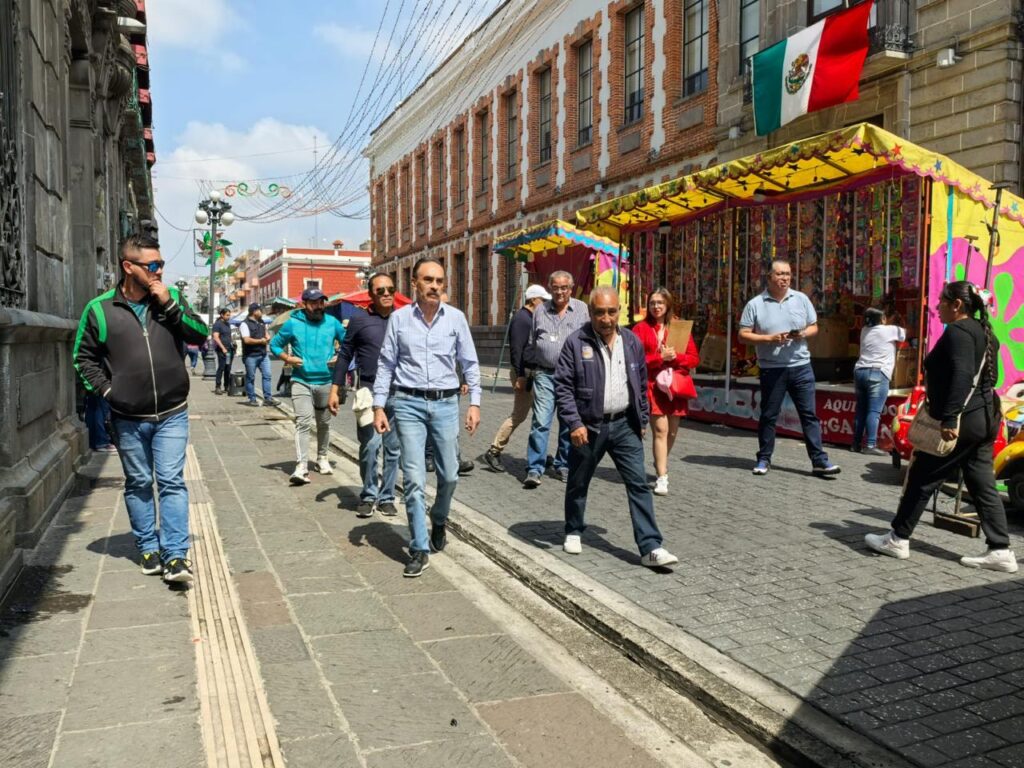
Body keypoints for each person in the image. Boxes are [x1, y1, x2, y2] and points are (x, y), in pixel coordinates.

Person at [73, 234, 208, 583]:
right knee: (138, 482)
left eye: (160, 264)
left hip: (173, 411)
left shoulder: (169, 297)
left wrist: (169, 304)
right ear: (128, 267)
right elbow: (82, 358)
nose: (159, 270)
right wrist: (107, 391)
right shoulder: (99, 309)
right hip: (128, 416)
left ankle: (176, 556)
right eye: (152, 265)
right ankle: (149, 547)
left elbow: (199, 336)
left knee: (171, 482)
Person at [865, 281, 1018, 572]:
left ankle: (898, 538)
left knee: (921, 476)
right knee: (983, 484)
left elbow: (961, 375)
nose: (937, 307)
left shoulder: (959, 332)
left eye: (941, 302)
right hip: (984, 418)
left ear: (957, 305)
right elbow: (993, 378)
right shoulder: (986, 334)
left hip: (962, 421)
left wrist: (949, 418)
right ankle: (1001, 550)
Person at [554, 287, 678, 569]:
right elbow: (562, 386)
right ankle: (574, 529)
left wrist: (642, 419)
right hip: (588, 427)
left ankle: (650, 546)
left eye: (611, 312)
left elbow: (640, 380)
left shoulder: (631, 341)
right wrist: (574, 423)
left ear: (619, 312)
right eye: (599, 312)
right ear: (590, 313)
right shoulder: (576, 343)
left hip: (624, 425)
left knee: (638, 484)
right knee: (578, 481)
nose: (606, 318)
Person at [373, 257, 481, 578]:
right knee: (415, 480)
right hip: (407, 403)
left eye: (439, 281)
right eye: (428, 280)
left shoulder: (456, 319)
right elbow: (386, 365)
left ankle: (439, 518)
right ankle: (419, 547)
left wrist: (474, 403)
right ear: (415, 284)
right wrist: (379, 405)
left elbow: (470, 364)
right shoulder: (400, 319)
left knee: (449, 475)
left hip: (447, 404)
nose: (434, 286)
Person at [738, 260, 840, 476]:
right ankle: (764, 459)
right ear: (769, 277)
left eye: (788, 274)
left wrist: (802, 333)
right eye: (780, 274)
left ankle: (819, 461)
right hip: (772, 369)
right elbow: (743, 334)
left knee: (809, 415)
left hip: (801, 367)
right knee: (769, 415)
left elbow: (814, 327)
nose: (784, 278)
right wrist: (769, 339)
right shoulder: (755, 304)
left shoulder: (801, 299)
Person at [328, 273, 401, 517]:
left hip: (399, 392)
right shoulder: (359, 319)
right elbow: (345, 354)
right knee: (370, 447)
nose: (387, 294)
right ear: (370, 294)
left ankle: (387, 496)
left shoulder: (404, 319)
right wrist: (335, 389)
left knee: (393, 449)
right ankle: (369, 494)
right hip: (368, 392)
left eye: (390, 289)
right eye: (380, 290)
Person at [271, 287, 347, 485]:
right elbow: (274, 344)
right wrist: (287, 358)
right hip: (301, 380)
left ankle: (322, 457)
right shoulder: (292, 324)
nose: (318, 306)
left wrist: (340, 357)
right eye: (313, 302)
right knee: (303, 422)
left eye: (321, 302)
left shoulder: (332, 323)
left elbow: (348, 345)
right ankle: (302, 466)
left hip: (326, 381)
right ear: (304, 304)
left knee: (324, 423)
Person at [523, 271, 590, 488]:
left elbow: (589, 341)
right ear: (549, 288)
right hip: (545, 374)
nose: (560, 292)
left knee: (568, 422)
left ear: (571, 288)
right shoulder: (540, 310)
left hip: (572, 376)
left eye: (564, 288)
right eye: (555, 287)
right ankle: (534, 468)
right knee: (541, 421)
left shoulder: (582, 310)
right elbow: (533, 341)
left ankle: (563, 464)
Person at [631, 287, 700, 495]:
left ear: (668, 304)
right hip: (652, 386)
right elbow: (635, 360)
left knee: (671, 432)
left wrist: (675, 358)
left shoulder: (678, 327)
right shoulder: (640, 329)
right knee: (660, 431)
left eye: (660, 302)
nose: (656, 307)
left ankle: (660, 461)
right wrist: (659, 358)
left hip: (675, 386)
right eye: (652, 303)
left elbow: (694, 359)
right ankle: (662, 476)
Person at [482, 284, 551, 472]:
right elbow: (516, 350)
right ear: (534, 300)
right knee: (519, 414)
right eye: (543, 300)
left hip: (530, 373)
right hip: (524, 374)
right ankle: (494, 450)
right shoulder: (522, 319)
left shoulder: (529, 317)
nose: (545, 304)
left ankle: (539, 452)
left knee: (540, 414)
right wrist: (520, 375)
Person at [853, 307, 906, 455]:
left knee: (861, 410)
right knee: (873, 411)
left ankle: (856, 443)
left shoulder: (864, 330)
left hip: (860, 371)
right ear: (882, 319)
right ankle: (870, 445)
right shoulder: (889, 330)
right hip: (877, 372)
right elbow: (906, 334)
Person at [240, 303, 279, 407]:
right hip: (250, 355)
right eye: (260, 310)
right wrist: (260, 341)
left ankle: (268, 398)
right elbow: (246, 340)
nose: (262, 312)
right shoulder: (244, 324)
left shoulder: (261, 322)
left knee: (267, 375)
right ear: (254, 311)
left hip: (263, 354)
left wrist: (267, 337)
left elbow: (266, 333)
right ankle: (252, 399)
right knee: (251, 377)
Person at [211, 306, 234, 395]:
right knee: (221, 367)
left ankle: (226, 386)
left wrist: (232, 343)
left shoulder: (227, 324)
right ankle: (218, 386)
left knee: (228, 368)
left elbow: (228, 336)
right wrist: (223, 348)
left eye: (229, 315)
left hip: (229, 350)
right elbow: (216, 337)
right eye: (227, 315)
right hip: (222, 350)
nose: (229, 317)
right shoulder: (217, 324)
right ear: (222, 315)